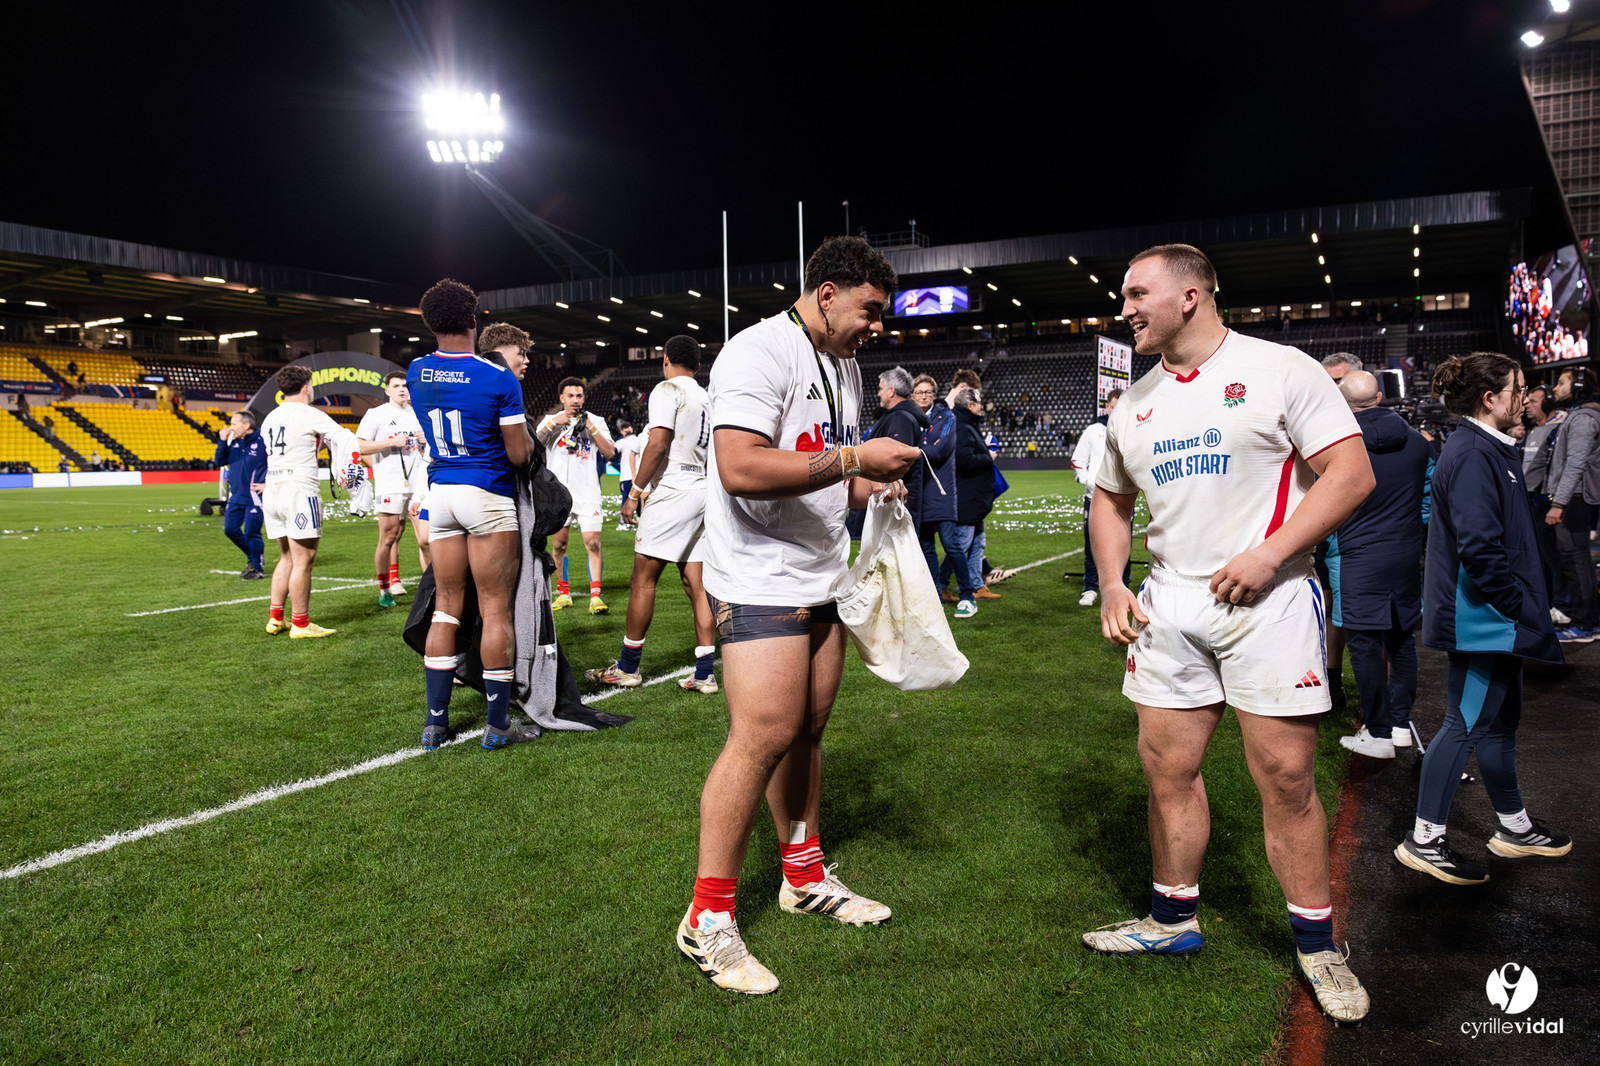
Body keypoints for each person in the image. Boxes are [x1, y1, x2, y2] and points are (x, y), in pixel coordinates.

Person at [1083, 243, 1375, 1025]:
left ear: (1191, 294)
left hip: (1269, 598)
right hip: (1170, 603)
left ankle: (1318, 946)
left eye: (1138, 292)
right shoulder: (1133, 402)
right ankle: (1172, 921)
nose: (1126, 307)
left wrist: (1272, 552)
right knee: (1167, 769)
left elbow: (1351, 474)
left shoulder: (1281, 369)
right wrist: (1112, 583)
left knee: (1284, 778)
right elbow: (1109, 501)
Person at [677, 236, 920, 995]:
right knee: (761, 737)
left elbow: (814, 469)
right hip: (757, 576)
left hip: (820, 571)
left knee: (808, 730)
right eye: (870, 310)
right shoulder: (756, 352)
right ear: (826, 293)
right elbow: (742, 467)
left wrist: (867, 488)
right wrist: (855, 462)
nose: (877, 326)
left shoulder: (843, 365)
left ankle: (803, 875)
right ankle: (706, 920)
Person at [1396, 352, 1571, 885]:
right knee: (1466, 722)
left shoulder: (1486, 448)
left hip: (1494, 617)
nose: (1526, 397)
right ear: (1490, 398)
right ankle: (1424, 839)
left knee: (1498, 721)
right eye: (1519, 389)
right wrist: (1518, 606)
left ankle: (1514, 827)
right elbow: (1481, 548)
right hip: (1486, 619)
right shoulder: (1474, 452)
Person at [407, 278, 538, 751]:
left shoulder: (417, 370)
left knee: (446, 607)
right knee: (495, 609)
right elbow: (519, 454)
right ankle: (498, 723)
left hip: (439, 495)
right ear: (473, 319)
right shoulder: (498, 376)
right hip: (485, 494)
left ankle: (435, 722)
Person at [585, 335, 720, 692]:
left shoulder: (667, 389)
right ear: (698, 365)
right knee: (697, 583)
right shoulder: (707, 396)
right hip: (703, 490)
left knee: (643, 579)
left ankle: (628, 668)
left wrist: (635, 492)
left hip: (674, 489)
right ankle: (705, 672)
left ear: (664, 360)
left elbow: (659, 442)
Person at [1330, 371, 1430, 758]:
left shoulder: (1341, 445)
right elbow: (1427, 497)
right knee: (1402, 642)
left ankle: (1378, 732)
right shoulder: (1419, 443)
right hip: (1405, 554)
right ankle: (1400, 723)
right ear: (1380, 396)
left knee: (1365, 646)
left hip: (1360, 555)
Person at [260, 365, 398, 638]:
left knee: (286, 556)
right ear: (305, 387)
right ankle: (301, 623)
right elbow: (349, 441)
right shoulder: (312, 414)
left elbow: (303, 444)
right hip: (299, 490)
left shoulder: (270, 418)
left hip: (272, 489)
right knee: (304, 559)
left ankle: (276, 618)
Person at [534, 377, 616, 613]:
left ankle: (595, 596)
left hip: (588, 492)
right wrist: (553, 424)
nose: (575, 400)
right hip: (558, 496)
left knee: (593, 543)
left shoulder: (596, 421)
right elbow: (533, 447)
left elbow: (610, 452)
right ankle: (563, 594)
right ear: (561, 398)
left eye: (579, 395)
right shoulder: (551, 421)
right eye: (570, 396)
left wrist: (590, 426)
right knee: (558, 545)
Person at [357, 371, 430, 608]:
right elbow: (359, 446)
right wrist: (390, 442)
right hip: (391, 484)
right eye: (396, 386)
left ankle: (432, 589)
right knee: (389, 537)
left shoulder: (421, 413)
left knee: (426, 541)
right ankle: (384, 588)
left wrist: (426, 440)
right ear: (387, 390)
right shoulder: (376, 414)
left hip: (420, 484)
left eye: (405, 386)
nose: (402, 389)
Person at [1543, 366, 1600, 643]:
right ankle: (1587, 620)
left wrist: (1559, 502)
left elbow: (1576, 463)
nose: (1555, 389)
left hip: (1574, 498)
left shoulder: (1584, 419)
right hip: (1572, 496)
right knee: (1574, 560)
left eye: (1562, 383)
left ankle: (1585, 623)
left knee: (1576, 560)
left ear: (1577, 386)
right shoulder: (1579, 415)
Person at [1071, 387, 1131, 606]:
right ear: (1107, 407)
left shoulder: (1131, 428)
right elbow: (1078, 460)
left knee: (1124, 542)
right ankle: (1090, 587)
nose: (1116, 411)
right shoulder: (1093, 431)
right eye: (1113, 407)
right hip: (1094, 497)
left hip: (1122, 498)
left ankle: (1124, 584)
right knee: (1092, 543)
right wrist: (1090, 482)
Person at [908, 373, 959, 596]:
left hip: (940, 491)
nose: (924, 396)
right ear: (912, 395)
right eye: (919, 392)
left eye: (928, 392)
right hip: (918, 491)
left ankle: (967, 592)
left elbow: (939, 451)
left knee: (950, 543)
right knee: (925, 546)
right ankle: (935, 593)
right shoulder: (908, 418)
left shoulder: (946, 417)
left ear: (934, 395)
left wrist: (911, 452)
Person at [949, 388, 996, 618]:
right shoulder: (961, 425)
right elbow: (964, 460)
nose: (982, 406)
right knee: (961, 544)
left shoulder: (966, 424)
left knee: (978, 543)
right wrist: (989, 457)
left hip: (975, 500)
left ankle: (976, 585)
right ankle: (942, 583)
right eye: (979, 403)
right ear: (969, 405)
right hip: (967, 499)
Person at [1521, 384, 1566, 617]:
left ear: (1548, 405)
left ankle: (1559, 602)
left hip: (1543, 498)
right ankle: (1544, 601)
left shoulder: (1558, 429)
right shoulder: (1530, 430)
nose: (1527, 404)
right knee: (1536, 556)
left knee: (1550, 555)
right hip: (1526, 498)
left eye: (1534, 401)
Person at [213, 410, 267, 579]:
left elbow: (278, 463)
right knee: (230, 530)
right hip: (235, 496)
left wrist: (268, 483)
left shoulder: (264, 441)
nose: (231, 427)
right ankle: (252, 558)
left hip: (254, 497)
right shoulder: (234, 443)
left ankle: (257, 568)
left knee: (252, 532)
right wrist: (222, 441)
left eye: (234, 424)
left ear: (246, 425)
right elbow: (219, 462)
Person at [613, 421, 647, 531]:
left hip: (626, 475)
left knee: (626, 500)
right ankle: (639, 520)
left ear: (623, 431)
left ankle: (623, 523)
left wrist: (612, 462)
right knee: (637, 499)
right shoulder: (639, 439)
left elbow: (612, 451)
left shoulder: (622, 442)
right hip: (638, 475)